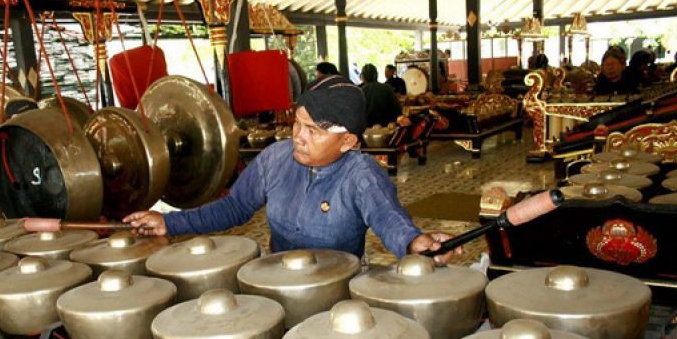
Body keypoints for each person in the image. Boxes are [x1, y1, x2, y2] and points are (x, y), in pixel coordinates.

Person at [124, 75, 459, 264]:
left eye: (314, 130)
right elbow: (235, 207)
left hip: (336, 292)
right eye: (298, 124)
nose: (298, 137)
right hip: (277, 280)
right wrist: (168, 222)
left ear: (348, 142)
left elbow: (389, 218)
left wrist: (414, 242)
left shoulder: (361, 174)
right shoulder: (275, 158)